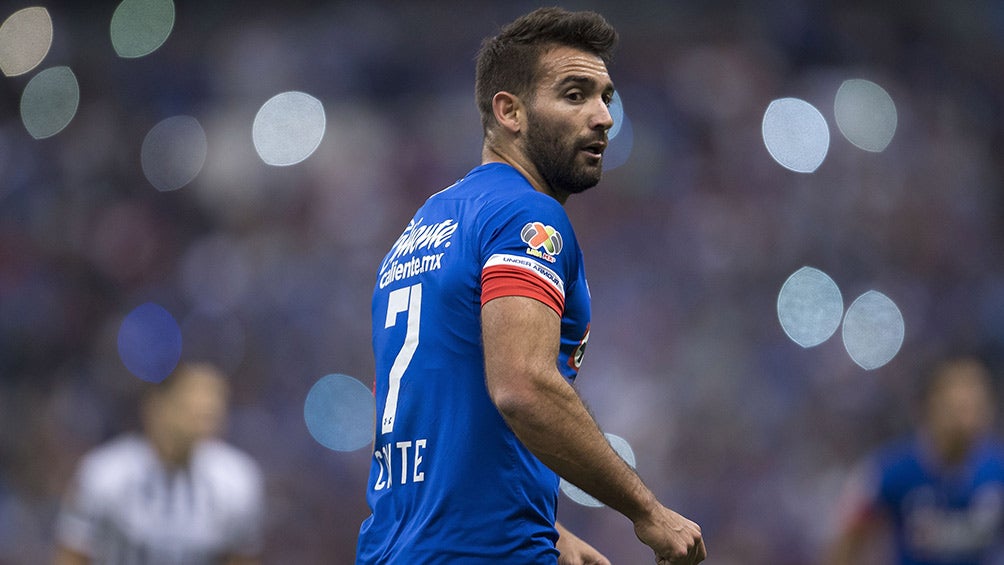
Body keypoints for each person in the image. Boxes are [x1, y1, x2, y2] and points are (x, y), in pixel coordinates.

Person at [356, 7, 705, 564]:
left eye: (605, 97)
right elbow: (523, 386)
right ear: (509, 111)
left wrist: (548, 529)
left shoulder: (422, 229)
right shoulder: (526, 217)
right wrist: (648, 511)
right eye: (574, 94)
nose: (603, 117)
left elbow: (430, 403)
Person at [53, 362, 265, 565]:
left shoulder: (237, 480)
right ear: (157, 405)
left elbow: (241, 559)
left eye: (215, 401)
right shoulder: (105, 474)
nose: (206, 409)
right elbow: (73, 555)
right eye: (191, 400)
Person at [826, 355, 1004, 565]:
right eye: (958, 400)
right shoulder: (888, 469)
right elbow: (848, 538)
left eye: (976, 398)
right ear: (930, 404)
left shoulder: (997, 470)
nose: (967, 408)